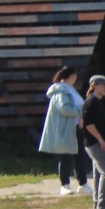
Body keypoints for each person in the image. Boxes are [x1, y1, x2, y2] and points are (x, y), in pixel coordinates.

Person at [39, 66, 87, 194]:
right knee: (66, 156)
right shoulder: (61, 90)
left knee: (80, 155)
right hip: (67, 129)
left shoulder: (70, 89)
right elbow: (64, 108)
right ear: (72, 76)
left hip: (77, 127)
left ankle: (83, 183)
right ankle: (64, 185)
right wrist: (81, 111)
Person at [80, 74, 105, 209]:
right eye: (103, 85)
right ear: (95, 85)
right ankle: (103, 206)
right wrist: (100, 139)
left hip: (100, 142)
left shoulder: (98, 102)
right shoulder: (91, 102)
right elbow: (88, 123)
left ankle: (97, 206)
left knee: (99, 174)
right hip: (96, 144)